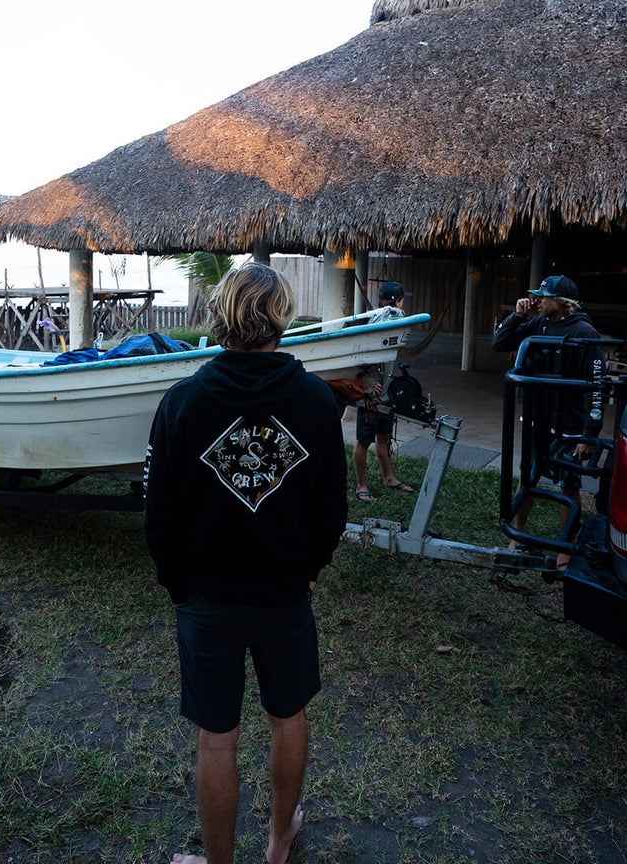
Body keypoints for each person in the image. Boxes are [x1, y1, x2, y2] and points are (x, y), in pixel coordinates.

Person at [144, 263, 348, 864]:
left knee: (217, 737)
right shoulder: (316, 400)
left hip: (208, 596)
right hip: (285, 591)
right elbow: (332, 505)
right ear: (282, 318)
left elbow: (158, 511)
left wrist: (178, 584)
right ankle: (279, 841)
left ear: (220, 316)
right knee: (289, 716)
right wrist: (311, 566)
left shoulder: (183, 402)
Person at [491, 275, 605, 569]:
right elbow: (500, 342)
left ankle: (565, 548)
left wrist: (589, 434)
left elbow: (597, 387)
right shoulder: (539, 324)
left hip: (569, 427)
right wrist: (517, 317)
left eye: (544, 297)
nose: (538, 301)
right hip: (537, 420)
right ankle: (518, 537)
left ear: (562, 302)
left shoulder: (585, 332)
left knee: (569, 486)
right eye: (538, 296)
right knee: (526, 478)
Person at [352, 281, 415, 502]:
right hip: (370, 398)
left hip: (385, 396)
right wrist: (366, 381)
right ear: (398, 301)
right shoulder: (375, 322)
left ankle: (389, 478)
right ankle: (361, 485)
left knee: (384, 438)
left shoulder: (390, 322)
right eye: (402, 299)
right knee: (363, 441)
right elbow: (356, 354)